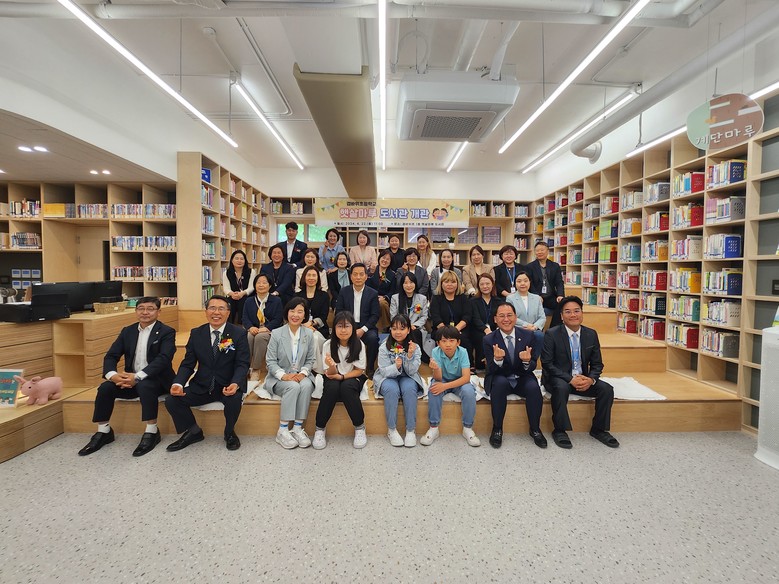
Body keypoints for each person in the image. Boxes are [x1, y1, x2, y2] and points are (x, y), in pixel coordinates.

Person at [77, 297, 176, 457]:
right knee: (105, 388)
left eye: (150, 309)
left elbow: (164, 359)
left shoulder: (167, 332)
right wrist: (113, 376)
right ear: (136, 311)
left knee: (145, 385)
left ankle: (152, 431)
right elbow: (111, 356)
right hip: (130, 380)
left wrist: (138, 377)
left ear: (158, 312)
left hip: (157, 380)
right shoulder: (127, 331)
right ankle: (104, 431)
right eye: (141, 308)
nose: (145, 312)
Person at [165, 295, 250, 452]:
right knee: (172, 400)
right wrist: (178, 383)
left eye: (221, 308)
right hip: (202, 384)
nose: (216, 312)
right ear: (206, 311)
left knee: (234, 400)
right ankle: (193, 431)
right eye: (212, 308)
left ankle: (229, 433)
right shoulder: (197, 333)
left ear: (228, 312)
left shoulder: (238, 333)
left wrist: (235, 383)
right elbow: (188, 364)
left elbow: (242, 363)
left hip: (227, 384)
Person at [541, 296, 618, 449]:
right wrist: (570, 379)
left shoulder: (591, 334)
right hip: (559, 377)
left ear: (582, 313)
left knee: (606, 389)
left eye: (576, 311)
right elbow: (547, 364)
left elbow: (597, 364)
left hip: (583, 377)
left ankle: (598, 429)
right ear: (561, 316)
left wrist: (591, 379)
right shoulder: (552, 334)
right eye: (568, 312)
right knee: (561, 388)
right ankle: (559, 430)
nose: (573, 315)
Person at [483, 302, 547, 449]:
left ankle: (535, 429)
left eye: (509, 315)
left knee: (533, 388)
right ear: (495, 319)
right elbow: (491, 369)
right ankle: (497, 428)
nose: (506, 319)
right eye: (501, 316)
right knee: (499, 384)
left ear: (516, 317)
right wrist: (497, 360)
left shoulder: (528, 335)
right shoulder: (489, 339)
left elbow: (532, 365)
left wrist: (526, 362)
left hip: (522, 375)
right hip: (500, 376)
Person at [264, 297, 318, 449]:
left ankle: (297, 428)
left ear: (305, 315)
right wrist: (284, 376)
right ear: (286, 312)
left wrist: (303, 373)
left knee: (306, 385)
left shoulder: (308, 334)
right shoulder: (276, 333)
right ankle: (282, 430)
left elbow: (310, 359)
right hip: (279, 377)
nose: (295, 315)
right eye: (292, 311)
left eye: (300, 312)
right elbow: (270, 361)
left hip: (301, 374)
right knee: (293, 387)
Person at [312, 311, 367, 450]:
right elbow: (330, 374)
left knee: (347, 387)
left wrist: (342, 377)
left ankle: (359, 427)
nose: (343, 330)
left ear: (353, 328)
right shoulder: (328, 345)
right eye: (339, 326)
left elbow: (359, 371)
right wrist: (331, 366)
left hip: (353, 376)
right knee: (332, 387)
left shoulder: (359, 344)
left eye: (347, 326)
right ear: (334, 328)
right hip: (333, 376)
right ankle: (320, 429)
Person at [420, 326, 480, 447]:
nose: (448, 344)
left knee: (469, 392)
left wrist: (445, 386)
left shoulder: (463, 352)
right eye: (444, 341)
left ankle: (468, 427)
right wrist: (436, 369)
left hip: (459, 381)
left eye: (452, 340)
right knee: (434, 390)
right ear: (438, 343)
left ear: (458, 342)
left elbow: (466, 378)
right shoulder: (435, 352)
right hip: (442, 379)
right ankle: (434, 427)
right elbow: (438, 379)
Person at [373, 314, 424, 447]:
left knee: (409, 388)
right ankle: (392, 430)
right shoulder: (384, 346)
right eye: (394, 328)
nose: (398, 332)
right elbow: (383, 371)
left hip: (408, 376)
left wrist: (409, 356)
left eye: (402, 328)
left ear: (408, 330)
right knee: (391, 389)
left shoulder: (415, 347)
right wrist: (395, 367)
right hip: (388, 376)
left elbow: (412, 371)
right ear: (390, 329)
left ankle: (410, 430)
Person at [335, 263, 380, 377]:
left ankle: (370, 368)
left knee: (373, 338)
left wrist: (363, 329)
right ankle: (341, 368)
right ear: (351, 277)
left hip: (366, 326)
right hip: (347, 325)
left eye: (361, 274)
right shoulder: (344, 291)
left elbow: (375, 315)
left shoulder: (373, 293)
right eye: (355, 274)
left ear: (366, 276)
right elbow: (339, 312)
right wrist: (348, 327)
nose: (358, 277)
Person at [242, 273, 283, 382]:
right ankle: (245, 367)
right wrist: (250, 327)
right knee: (249, 336)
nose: (261, 285)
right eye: (258, 283)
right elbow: (245, 318)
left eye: (264, 283)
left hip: (269, 330)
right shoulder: (249, 301)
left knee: (260, 337)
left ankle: (256, 369)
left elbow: (278, 319)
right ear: (254, 285)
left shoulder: (276, 301)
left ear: (270, 286)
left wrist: (267, 328)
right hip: (254, 329)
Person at [430, 270, 473, 367]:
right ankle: (441, 366)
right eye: (446, 282)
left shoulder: (463, 298)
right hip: (440, 330)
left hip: (460, 329)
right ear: (441, 284)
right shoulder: (436, 298)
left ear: (457, 284)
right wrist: (447, 332)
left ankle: (467, 366)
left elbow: (467, 316)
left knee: (464, 339)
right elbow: (436, 318)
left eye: (453, 282)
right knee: (443, 339)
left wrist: (455, 330)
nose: (450, 284)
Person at [295, 265, 330, 374]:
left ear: (318, 278)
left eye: (314, 275)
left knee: (313, 338)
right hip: (300, 328)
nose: (311, 278)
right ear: (304, 277)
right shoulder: (297, 296)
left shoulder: (324, 296)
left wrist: (310, 323)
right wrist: (303, 325)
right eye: (308, 275)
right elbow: (294, 315)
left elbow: (323, 316)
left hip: (319, 329)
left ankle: (313, 369)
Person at [526, 241, 566, 328]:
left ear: (547, 251)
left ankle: (554, 329)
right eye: (537, 250)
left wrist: (560, 295)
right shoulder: (529, 267)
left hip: (550, 296)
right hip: (536, 297)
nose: (539, 252)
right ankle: (536, 329)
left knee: (562, 303)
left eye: (542, 250)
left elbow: (559, 282)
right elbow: (530, 284)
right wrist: (536, 296)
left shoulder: (555, 266)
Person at [469, 272, 503, 372]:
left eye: (487, 283)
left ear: (492, 284)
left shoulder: (499, 301)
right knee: (482, 336)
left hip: (495, 328)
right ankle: (481, 364)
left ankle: (497, 364)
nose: (485, 286)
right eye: (482, 284)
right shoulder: (473, 301)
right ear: (478, 286)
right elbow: (475, 318)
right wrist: (485, 329)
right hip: (478, 329)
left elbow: (500, 317)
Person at [506, 270, 546, 355]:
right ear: (515, 283)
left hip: (534, 329)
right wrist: (526, 325)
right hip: (518, 328)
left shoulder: (537, 298)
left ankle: (534, 359)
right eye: (519, 281)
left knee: (540, 335)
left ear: (530, 282)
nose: (522, 283)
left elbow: (542, 317)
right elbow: (510, 316)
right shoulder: (510, 298)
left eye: (525, 281)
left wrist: (534, 327)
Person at [390, 272, 428, 349]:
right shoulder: (395, 298)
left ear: (415, 283)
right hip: (400, 327)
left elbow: (424, 316)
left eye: (411, 282)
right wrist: (404, 326)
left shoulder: (422, 298)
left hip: (416, 328)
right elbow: (393, 316)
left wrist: (415, 325)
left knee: (415, 333)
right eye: (405, 283)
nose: (409, 285)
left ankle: (417, 354)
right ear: (402, 285)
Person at [367, 249, 396, 332]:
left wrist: (384, 297)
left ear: (390, 262)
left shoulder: (392, 274)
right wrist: (374, 296)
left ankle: (384, 327)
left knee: (382, 304)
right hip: (371, 297)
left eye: (388, 259)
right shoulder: (371, 271)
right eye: (383, 258)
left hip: (384, 299)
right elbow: (367, 287)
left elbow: (392, 291)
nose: (385, 260)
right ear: (379, 258)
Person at [222, 249, 255, 324]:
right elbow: (226, 288)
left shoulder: (251, 272)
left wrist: (242, 293)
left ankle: (242, 325)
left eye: (242, 259)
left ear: (245, 261)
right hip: (232, 296)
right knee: (229, 303)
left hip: (246, 295)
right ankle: (229, 325)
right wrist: (232, 294)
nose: (239, 261)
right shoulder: (226, 273)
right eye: (236, 258)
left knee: (244, 301)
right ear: (232, 260)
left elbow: (251, 287)